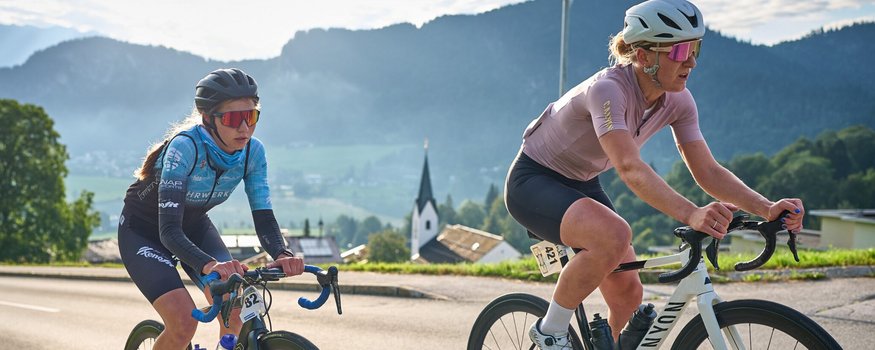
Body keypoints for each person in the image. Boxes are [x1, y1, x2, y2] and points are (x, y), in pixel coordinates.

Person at [503, 1, 805, 348]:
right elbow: (629, 167)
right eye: (680, 51)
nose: (691, 62)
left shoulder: (678, 100)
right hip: (534, 180)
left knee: (628, 293)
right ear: (644, 56)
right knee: (615, 234)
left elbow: (707, 170)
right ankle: (551, 331)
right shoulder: (607, 91)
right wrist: (692, 213)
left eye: (695, 49)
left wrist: (766, 207)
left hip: (582, 182)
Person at [118, 68, 305, 349]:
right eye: (233, 119)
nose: (244, 128)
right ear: (208, 118)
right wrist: (210, 265)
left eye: (251, 116)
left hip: (193, 229)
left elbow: (264, 216)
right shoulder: (185, 148)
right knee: (183, 322)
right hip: (145, 233)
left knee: (235, 311)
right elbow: (168, 231)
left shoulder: (253, 152)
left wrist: (282, 253)